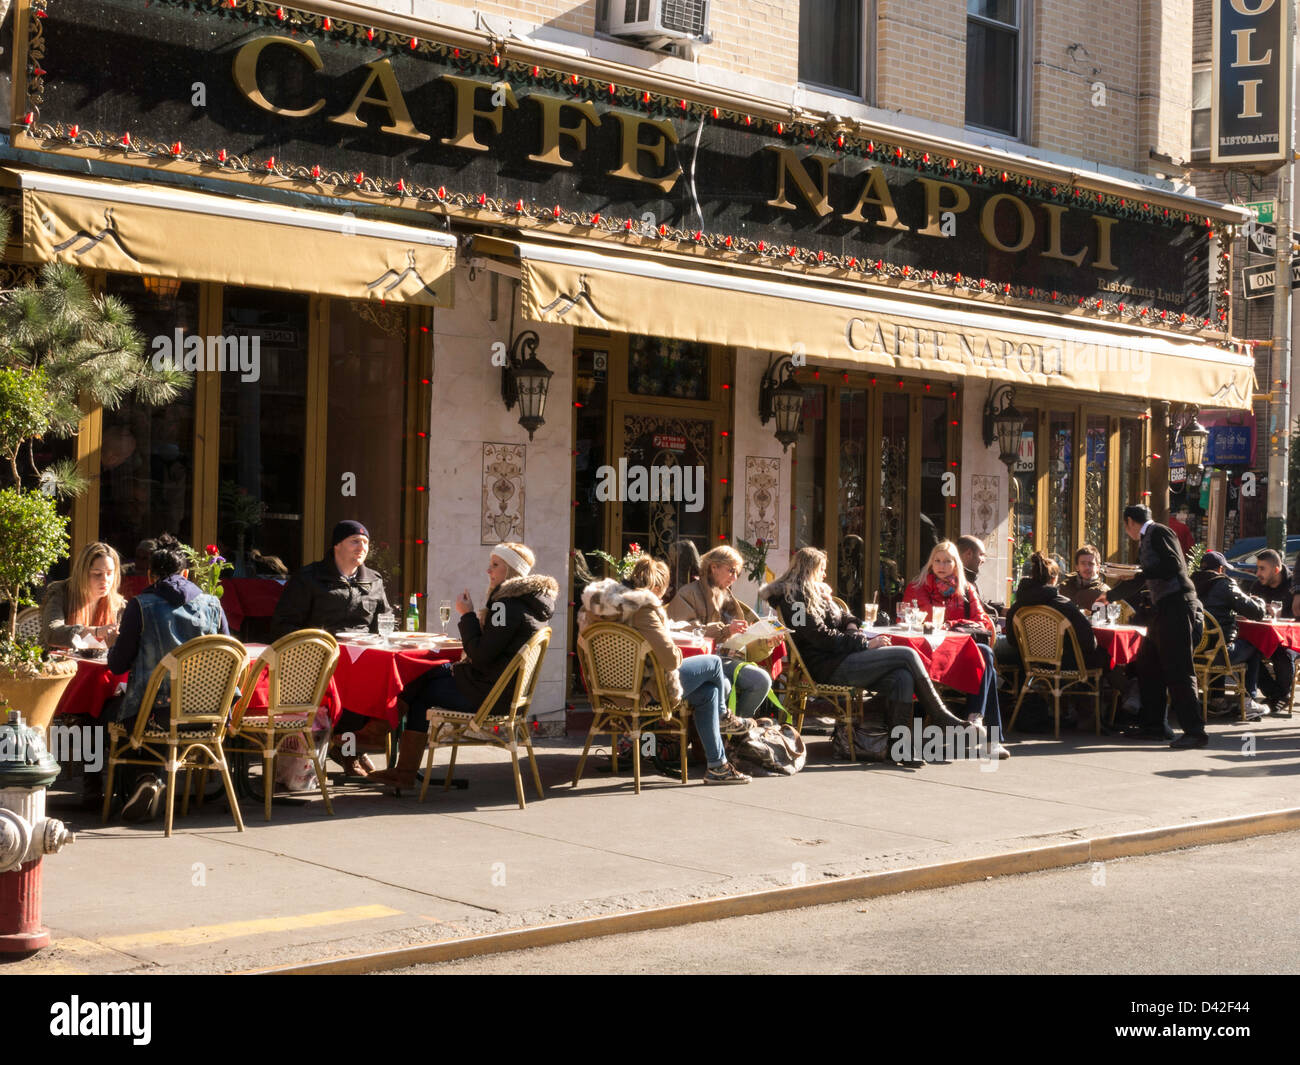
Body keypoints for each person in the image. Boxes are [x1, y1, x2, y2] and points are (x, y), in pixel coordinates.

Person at [761, 548, 1004, 763]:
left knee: (902, 676)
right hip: (827, 666)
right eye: (822, 569)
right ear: (810, 569)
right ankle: (943, 717)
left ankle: (901, 749)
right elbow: (819, 638)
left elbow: (848, 619)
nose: (825, 575)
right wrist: (864, 643)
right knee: (907, 654)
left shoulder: (818, 596)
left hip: (842, 658)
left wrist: (853, 628)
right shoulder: (795, 602)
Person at [370, 543, 559, 790]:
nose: (487, 570)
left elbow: (480, 656)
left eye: (495, 565)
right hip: (500, 692)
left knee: (420, 685)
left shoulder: (505, 605)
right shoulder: (528, 603)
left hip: (487, 696)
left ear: (511, 570)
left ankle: (381, 738)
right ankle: (393, 755)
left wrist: (467, 615)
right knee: (426, 676)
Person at [580, 556, 751, 785]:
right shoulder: (643, 609)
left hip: (608, 691)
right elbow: (670, 660)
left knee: (708, 692)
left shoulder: (599, 607)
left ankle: (717, 766)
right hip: (644, 693)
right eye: (665, 590)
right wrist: (676, 649)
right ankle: (723, 717)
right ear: (657, 587)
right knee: (713, 663)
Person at [103, 534, 230, 822]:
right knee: (152, 710)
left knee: (115, 711)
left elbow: (118, 665)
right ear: (186, 574)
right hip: (209, 716)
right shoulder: (212, 605)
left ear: (149, 575)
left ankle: (144, 779)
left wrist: (113, 644)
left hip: (156, 713)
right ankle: (153, 781)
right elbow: (227, 654)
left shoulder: (141, 605)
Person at [272, 520, 393, 776]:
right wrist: (316, 645)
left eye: (366, 543)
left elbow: (386, 622)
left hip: (363, 660)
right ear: (337, 545)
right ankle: (348, 752)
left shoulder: (373, 580)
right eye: (355, 541)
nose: (362, 547)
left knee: (390, 687)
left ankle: (352, 749)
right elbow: (284, 625)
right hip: (318, 663)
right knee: (347, 691)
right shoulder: (309, 578)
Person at [904, 541, 1006, 745]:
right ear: (931, 563)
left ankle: (974, 719)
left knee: (985, 652)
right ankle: (990, 738)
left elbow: (983, 621)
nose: (941, 566)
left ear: (956, 564)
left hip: (961, 653)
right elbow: (921, 619)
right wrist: (951, 625)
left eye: (947, 561)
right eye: (937, 561)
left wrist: (952, 624)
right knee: (989, 668)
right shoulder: (918, 587)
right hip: (930, 652)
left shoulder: (966, 589)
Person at [1121, 503, 1207, 748]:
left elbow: (1172, 565)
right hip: (1162, 609)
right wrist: (1111, 595)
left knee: (1179, 670)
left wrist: (1140, 571)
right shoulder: (1148, 537)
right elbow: (1145, 576)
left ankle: (1195, 731)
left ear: (1129, 522)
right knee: (1149, 665)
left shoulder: (1159, 532)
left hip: (1177, 606)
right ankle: (1154, 726)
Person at [1004, 552, 1112, 728]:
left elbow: (1012, 640)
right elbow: (1088, 642)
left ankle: (1068, 709)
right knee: (1105, 657)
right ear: (1054, 579)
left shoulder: (1018, 605)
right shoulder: (1063, 605)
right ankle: (1096, 713)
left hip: (1033, 666)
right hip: (1068, 665)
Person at [666, 544, 775, 718]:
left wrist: (765, 643)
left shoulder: (728, 598)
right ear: (713, 567)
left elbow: (741, 646)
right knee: (722, 686)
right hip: (698, 662)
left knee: (761, 680)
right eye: (731, 571)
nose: (734, 578)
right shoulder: (688, 593)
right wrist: (723, 631)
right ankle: (718, 735)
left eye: (737, 573)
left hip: (727, 660)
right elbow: (680, 631)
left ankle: (737, 732)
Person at [1191, 551, 1268, 720]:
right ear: (1220, 569)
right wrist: (1260, 601)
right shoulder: (1224, 584)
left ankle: (1217, 700)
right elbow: (1256, 612)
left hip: (1193, 651)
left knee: (1216, 641)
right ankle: (1248, 702)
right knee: (1253, 645)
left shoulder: (1189, 583)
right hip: (1218, 654)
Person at [40, 542, 126, 651]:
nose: (105, 580)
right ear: (83, 574)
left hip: (102, 664)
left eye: (109, 573)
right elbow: (52, 633)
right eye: (97, 574)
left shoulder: (118, 604)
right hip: (61, 665)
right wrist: (96, 631)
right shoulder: (61, 593)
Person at [1248, 548, 1298, 717]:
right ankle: (1274, 694)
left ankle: (1283, 695)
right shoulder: (1258, 586)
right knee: (1248, 652)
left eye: (1262, 569)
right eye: (1257, 568)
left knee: (1282, 652)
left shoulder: (1293, 585)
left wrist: (1281, 614)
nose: (1257, 573)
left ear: (1276, 570)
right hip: (1266, 637)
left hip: (1292, 638)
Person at [1059, 545, 1110, 612]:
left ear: (1098, 567)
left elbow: (1109, 618)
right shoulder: (1065, 587)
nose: (1087, 567)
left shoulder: (1104, 592)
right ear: (1077, 566)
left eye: (1091, 564)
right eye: (1083, 563)